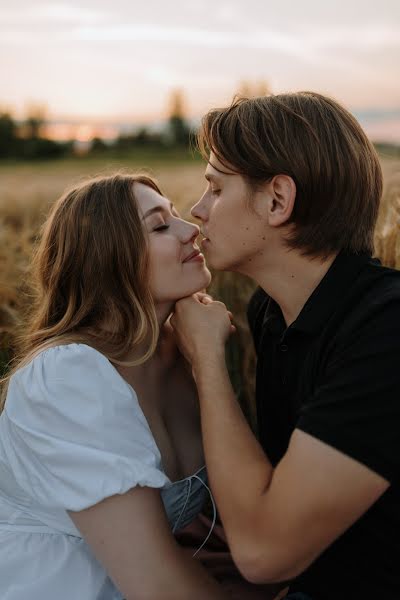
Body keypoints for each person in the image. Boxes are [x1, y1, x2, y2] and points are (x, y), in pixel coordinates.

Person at [171, 91, 400, 600]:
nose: (197, 210)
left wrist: (207, 359)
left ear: (277, 200)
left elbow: (264, 555)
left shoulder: (387, 331)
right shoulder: (272, 313)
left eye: (215, 188)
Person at [0, 173, 229, 600]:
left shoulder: (187, 351)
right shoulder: (67, 377)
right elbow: (157, 583)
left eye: (177, 217)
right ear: (110, 259)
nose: (191, 229)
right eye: (160, 226)